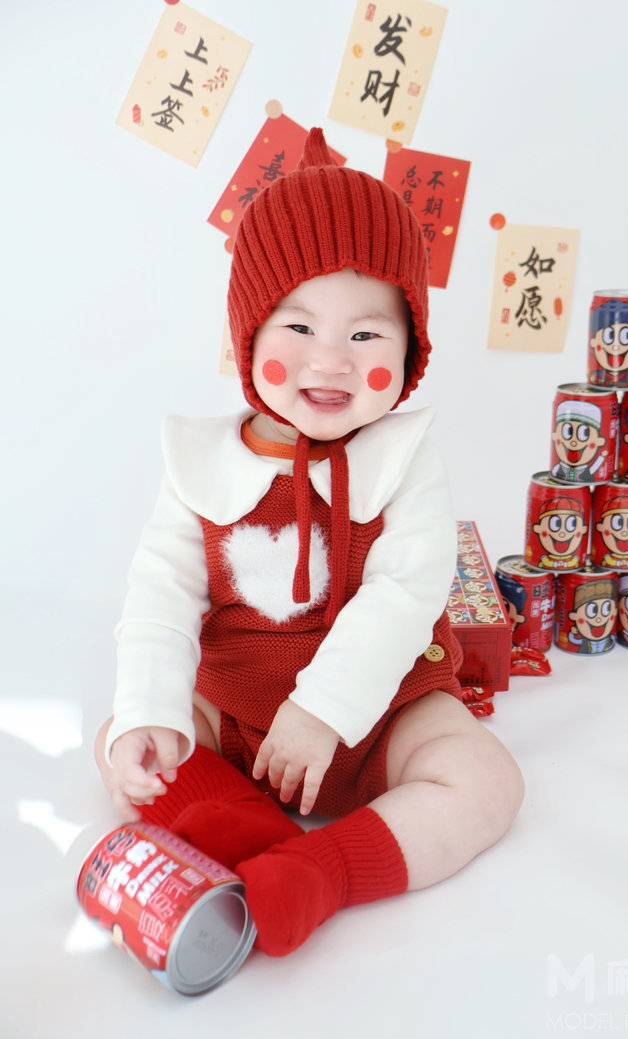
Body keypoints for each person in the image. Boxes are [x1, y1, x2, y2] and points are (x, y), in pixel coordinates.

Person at [93, 127, 525, 959]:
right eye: (297, 326)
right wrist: (150, 712)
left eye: (366, 335)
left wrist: (324, 709)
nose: (329, 361)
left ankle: (325, 869)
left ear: (411, 348)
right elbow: (159, 597)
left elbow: (405, 593)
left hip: (380, 713)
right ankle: (248, 834)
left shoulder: (404, 458)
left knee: (488, 780)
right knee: (125, 739)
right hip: (237, 712)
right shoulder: (199, 462)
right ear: (246, 336)